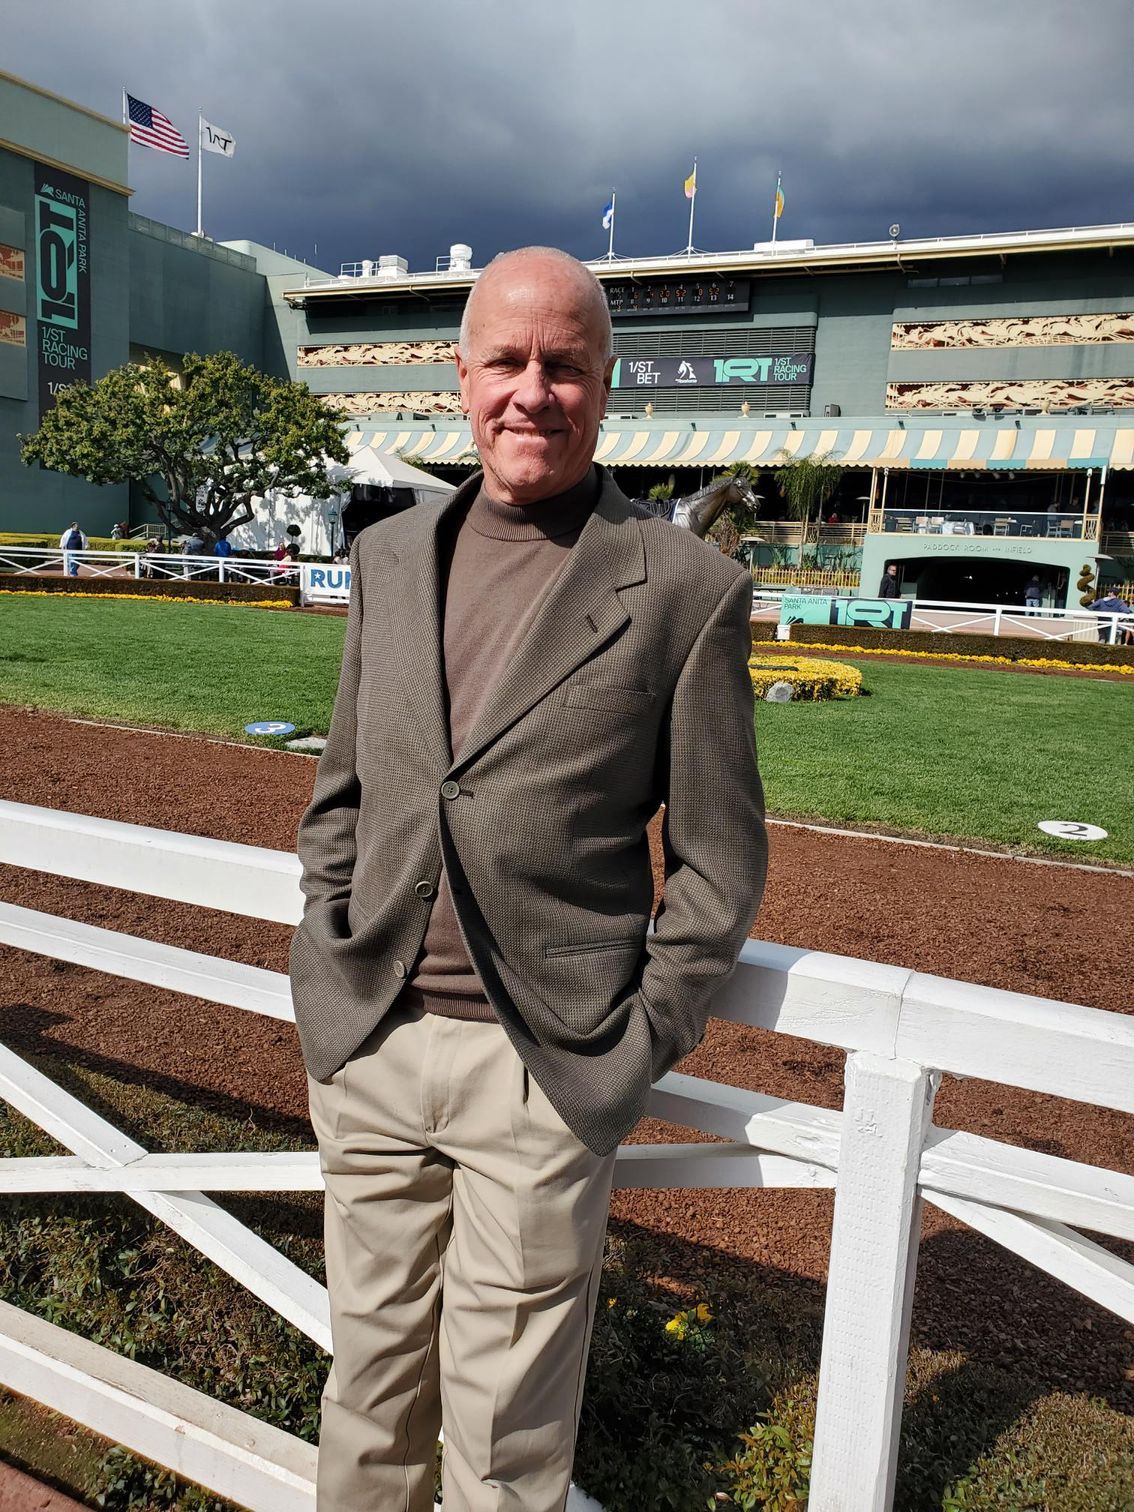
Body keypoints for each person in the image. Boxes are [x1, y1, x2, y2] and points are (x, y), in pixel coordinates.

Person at [291, 246, 767, 1512]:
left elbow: (720, 864)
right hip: (375, 1039)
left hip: (541, 1070)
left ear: (606, 387)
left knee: (506, 1451)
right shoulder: (393, 560)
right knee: (366, 1404)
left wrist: (630, 1045)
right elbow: (344, 786)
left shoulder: (687, 592)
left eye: (565, 365)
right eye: (506, 361)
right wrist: (326, 960)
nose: (533, 392)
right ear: (463, 375)